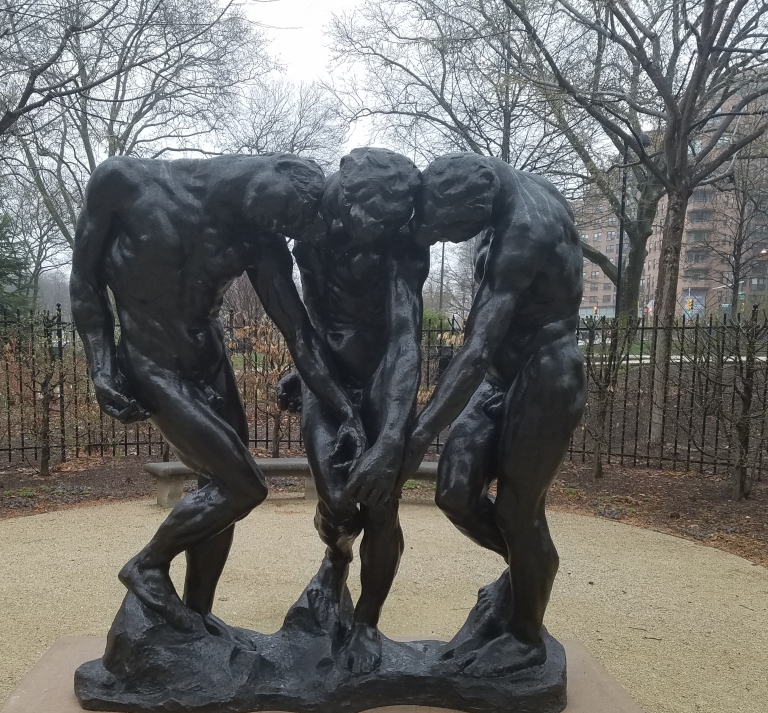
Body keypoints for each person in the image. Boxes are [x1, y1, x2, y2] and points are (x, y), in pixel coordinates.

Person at [70, 153, 365, 640]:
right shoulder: (123, 183)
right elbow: (84, 283)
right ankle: (147, 566)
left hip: (211, 365)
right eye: (290, 214)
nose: (286, 228)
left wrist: (345, 410)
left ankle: (196, 617)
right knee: (242, 485)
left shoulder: (260, 238)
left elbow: (300, 336)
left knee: (220, 486)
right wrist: (102, 367)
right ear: (275, 171)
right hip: (152, 363)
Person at [400, 151, 586, 677]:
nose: (448, 239)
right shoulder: (506, 192)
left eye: (450, 230)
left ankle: (526, 636)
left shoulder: (523, 228)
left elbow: (478, 346)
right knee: (454, 492)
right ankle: (527, 569)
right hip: (500, 378)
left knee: (517, 512)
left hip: (546, 377)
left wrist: (421, 432)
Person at [289, 147, 428, 673]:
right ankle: (337, 554)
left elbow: (404, 339)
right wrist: (306, 368)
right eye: (376, 220)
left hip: (382, 374)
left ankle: (367, 624)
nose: (383, 230)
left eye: (392, 223)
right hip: (326, 371)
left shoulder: (401, 244)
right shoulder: (307, 222)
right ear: (348, 200)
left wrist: (392, 435)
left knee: (382, 502)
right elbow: (308, 313)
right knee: (337, 502)